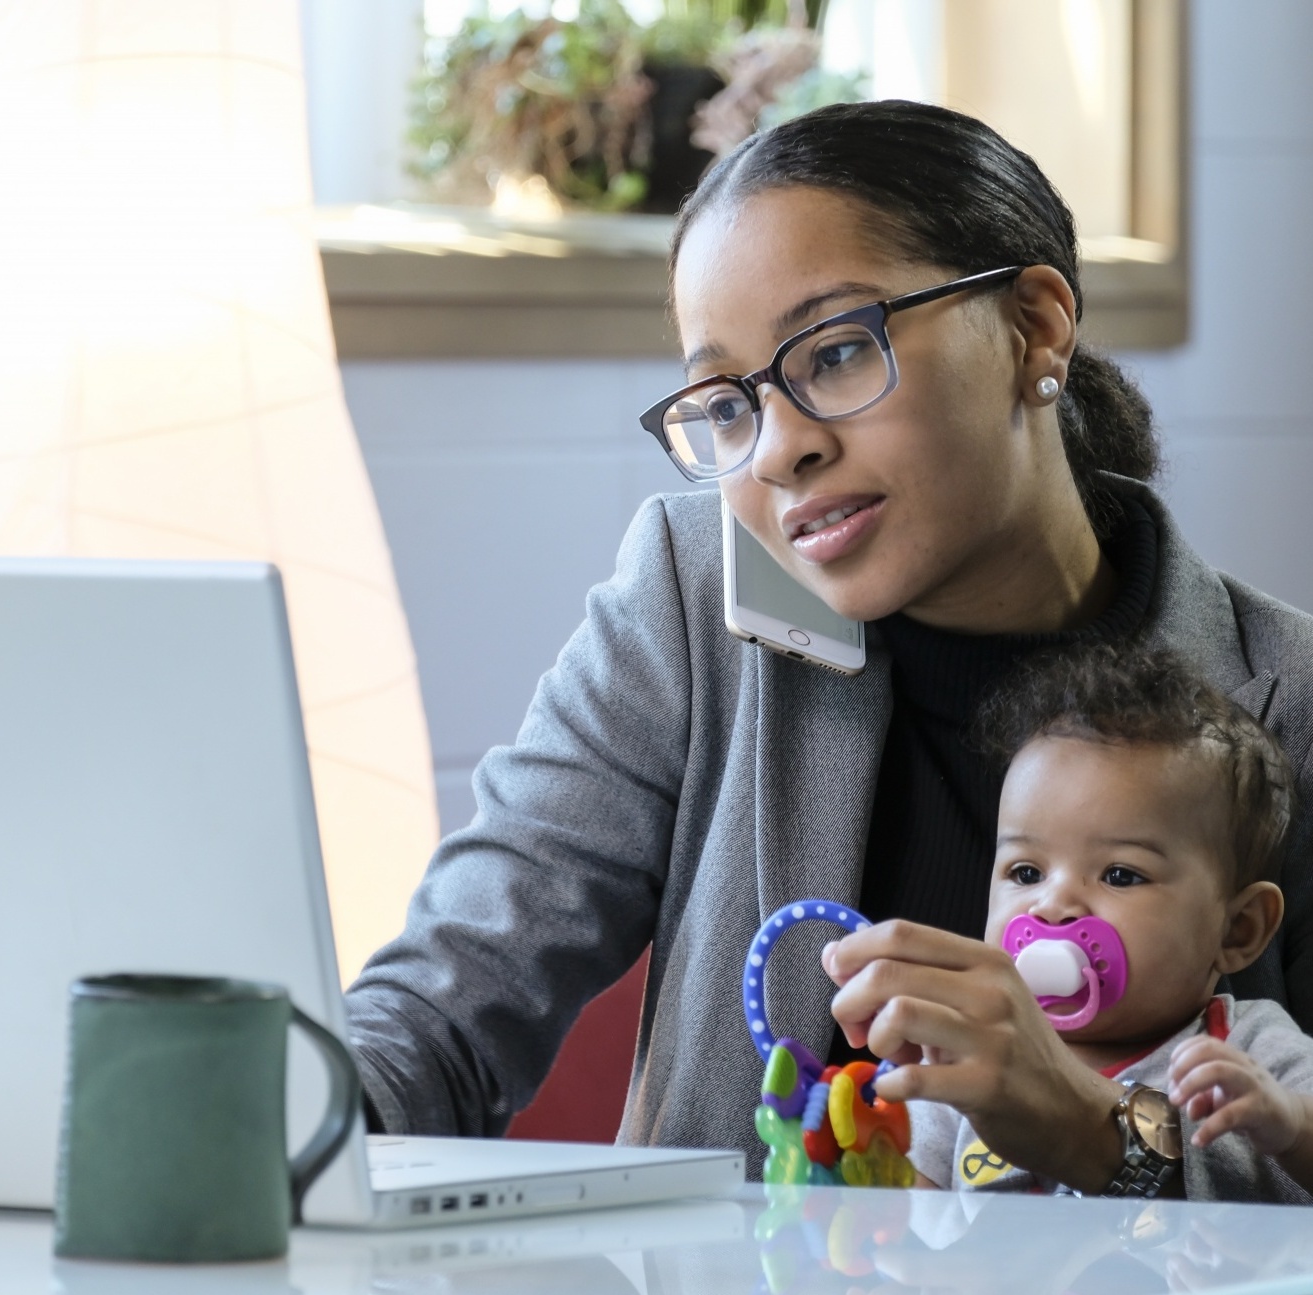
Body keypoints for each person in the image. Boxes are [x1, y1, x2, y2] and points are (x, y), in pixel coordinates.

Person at [345, 100, 1313, 1189]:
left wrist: (1099, 1133)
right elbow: (445, 1005)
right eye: (725, 402)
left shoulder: (1283, 699)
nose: (781, 448)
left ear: (1034, 328)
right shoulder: (692, 593)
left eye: (839, 350)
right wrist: (265, 1117)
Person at [839, 645, 1313, 1201]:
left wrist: (1290, 1126)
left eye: (1119, 874)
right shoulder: (967, 1051)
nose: (1053, 903)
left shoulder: (1246, 1047)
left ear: (1239, 931)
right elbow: (906, 1219)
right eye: (1025, 871)